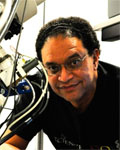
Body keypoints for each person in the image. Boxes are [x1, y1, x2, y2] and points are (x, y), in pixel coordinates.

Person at [0, 16, 119, 150]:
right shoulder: (39, 92)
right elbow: (8, 144)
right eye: (53, 68)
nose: (64, 77)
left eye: (74, 62)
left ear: (95, 58)